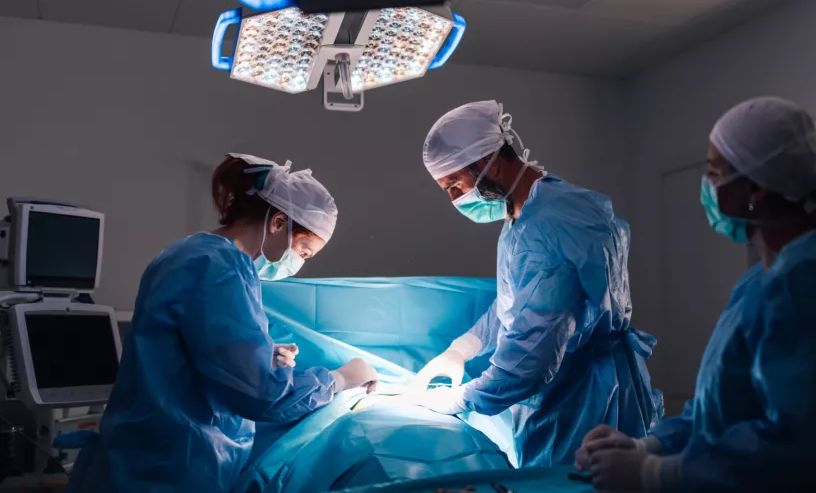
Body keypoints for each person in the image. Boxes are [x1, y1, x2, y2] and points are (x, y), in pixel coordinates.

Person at [575, 97, 816, 492]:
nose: (707, 186)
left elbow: (804, 450)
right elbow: (725, 410)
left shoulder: (810, 282)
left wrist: (654, 474)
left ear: (756, 188)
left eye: (716, 173)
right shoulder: (765, 281)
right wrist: (646, 445)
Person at [69, 154, 379, 493]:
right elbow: (262, 398)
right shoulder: (222, 269)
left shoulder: (188, 252)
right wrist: (341, 378)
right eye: (303, 252)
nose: (298, 264)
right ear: (277, 223)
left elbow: (183, 345)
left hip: (136, 458)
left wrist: (258, 353)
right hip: (172, 469)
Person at [410, 100, 663, 468]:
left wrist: (462, 399)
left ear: (489, 163)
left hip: (584, 402)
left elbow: (533, 355)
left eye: (454, 184)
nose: (454, 198)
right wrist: (463, 348)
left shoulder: (550, 225)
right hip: (568, 390)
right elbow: (519, 301)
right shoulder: (524, 214)